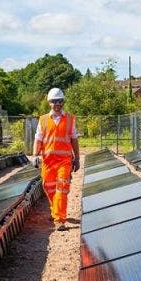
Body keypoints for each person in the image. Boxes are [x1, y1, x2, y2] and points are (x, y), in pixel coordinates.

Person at [32, 87, 80, 231]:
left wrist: (77, 158)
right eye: (55, 101)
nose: (58, 104)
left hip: (64, 161)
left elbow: (74, 139)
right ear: (49, 103)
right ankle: (55, 211)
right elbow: (38, 139)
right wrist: (35, 155)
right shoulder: (43, 120)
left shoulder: (70, 119)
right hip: (47, 161)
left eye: (60, 101)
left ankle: (59, 219)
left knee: (62, 188)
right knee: (49, 187)